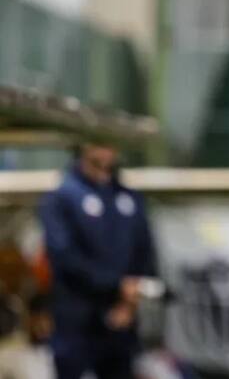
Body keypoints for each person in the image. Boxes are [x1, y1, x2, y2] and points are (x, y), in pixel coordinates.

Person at [39, 142, 157, 379]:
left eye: (109, 143)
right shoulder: (62, 197)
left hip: (121, 318)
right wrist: (116, 285)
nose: (105, 151)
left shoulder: (129, 197)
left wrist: (130, 299)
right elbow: (64, 256)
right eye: (97, 143)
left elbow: (145, 251)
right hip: (77, 320)